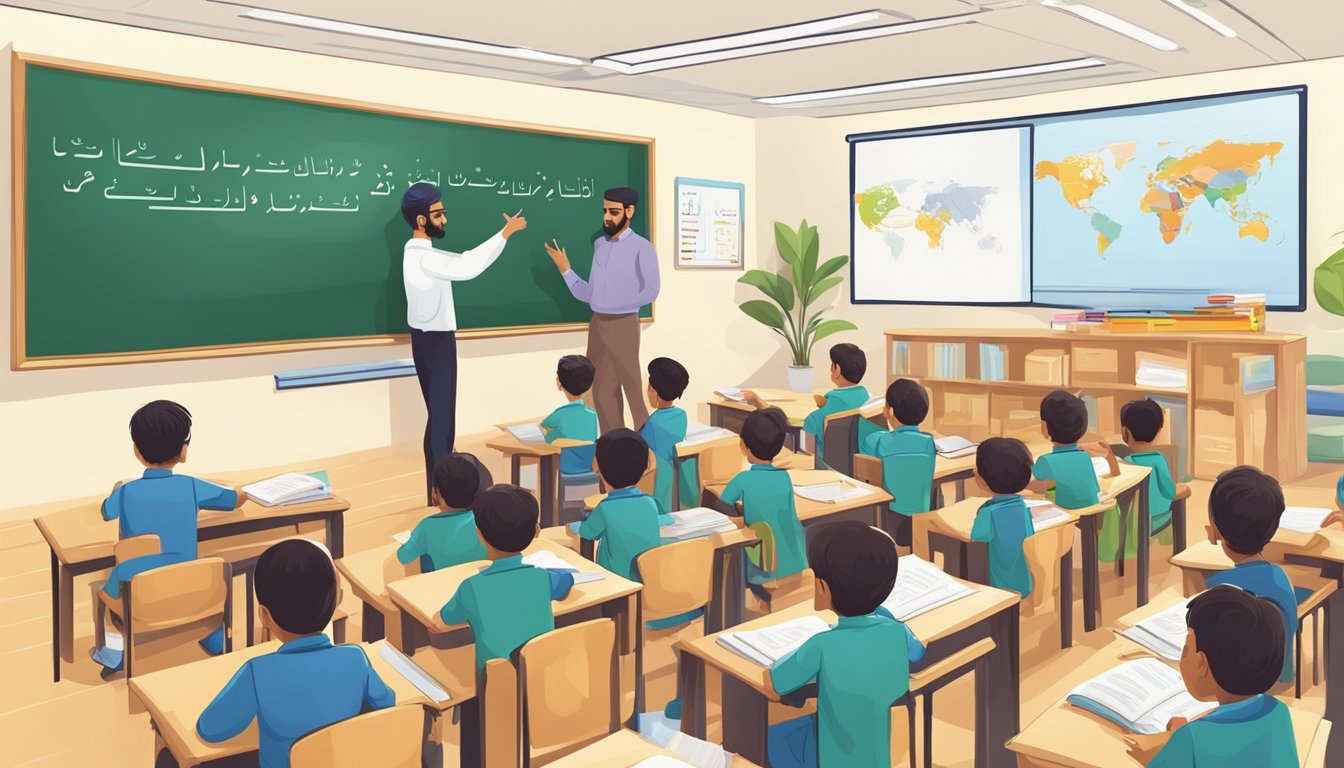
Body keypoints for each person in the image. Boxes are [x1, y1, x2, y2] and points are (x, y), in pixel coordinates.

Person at [197, 539, 395, 768]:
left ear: (264, 615)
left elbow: (210, 729)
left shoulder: (257, 671)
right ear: (335, 604)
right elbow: (387, 701)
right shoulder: (355, 657)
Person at [92, 400, 246, 674]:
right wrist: (237, 488)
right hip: (191, 586)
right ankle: (212, 637)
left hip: (142, 591)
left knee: (105, 588)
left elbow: (106, 511)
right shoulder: (191, 486)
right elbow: (234, 499)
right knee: (206, 575)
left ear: (137, 451)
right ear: (184, 451)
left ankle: (114, 652)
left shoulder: (126, 491)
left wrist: (116, 488)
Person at [401, 182, 527, 504]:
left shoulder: (413, 254)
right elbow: (469, 266)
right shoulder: (425, 258)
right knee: (443, 426)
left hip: (423, 341)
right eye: (439, 214)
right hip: (438, 344)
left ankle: (435, 495)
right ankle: (447, 498)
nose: (445, 219)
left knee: (437, 422)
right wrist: (505, 233)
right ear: (421, 220)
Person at [767, 521, 925, 768]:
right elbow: (918, 654)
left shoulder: (820, 645)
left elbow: (777, 681)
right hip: (877, 755)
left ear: (823, 587)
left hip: (831, 758)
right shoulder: (897, 631)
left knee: (771, 739)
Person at [1125, 585, 1297, 767]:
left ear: (1201, 663)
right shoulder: (1279, 712)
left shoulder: (1190, 740)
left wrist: (1151, 756)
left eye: (1187, 646)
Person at [544, 187, 660, 432]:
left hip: (623, 322)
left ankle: (648, 451)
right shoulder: (600, 245)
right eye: (605, 210)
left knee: (631, 388)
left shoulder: (642, 247)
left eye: (614, 211)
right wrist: (566, 270)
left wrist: (609, 301)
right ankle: (613, 446)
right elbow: (589, 295)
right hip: (597, 322)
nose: (607, 217)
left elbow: (651, 291)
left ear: (630, 212)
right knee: (599, 390)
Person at [438, 484, 575, 673]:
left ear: (479, 535)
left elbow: (447, 617)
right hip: (540, 679)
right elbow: (567, 579)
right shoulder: (542, 577)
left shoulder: (471, 587)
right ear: (536, 531)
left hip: (495, 687)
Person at [1203, 466, 1298, 683]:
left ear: (1215, 529)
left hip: (1241, 690)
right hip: (1281, 680)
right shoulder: (1280, 575)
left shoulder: (1219, 589)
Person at [720, 408, 807, 597]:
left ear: (743, 445)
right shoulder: (785, 477)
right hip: (793, 559)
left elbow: (720, 508)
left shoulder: (742, 479)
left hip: (764, 564)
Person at [1089, 398, 1178, 559]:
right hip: (1160, 517)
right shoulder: (1160, 459)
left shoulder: (1130, 464)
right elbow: (1170, 491)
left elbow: (1118, 490)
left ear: (1125, 432)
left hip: (1134, 525)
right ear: (1158, 431)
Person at [577, 429, 668, 581]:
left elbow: (586, 532)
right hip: (648, 580)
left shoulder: (605, 508)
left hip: (615, 582)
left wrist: (577, 524)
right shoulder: (649, 502)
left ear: (601, 470)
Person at [396, 452, 492, 572]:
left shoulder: (427, 526)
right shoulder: (485, 519)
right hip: (479, 582)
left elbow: (403, 557)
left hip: (442, 586)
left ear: (436, 493)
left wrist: (409, 542)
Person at [970, 437, 1038, 598]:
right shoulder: (1023, 506)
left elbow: (975, 538)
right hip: (1025, 583)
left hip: (999, 588)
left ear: (982, 479)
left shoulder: (988, 513)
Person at [639, 356, 691, 514]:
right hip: (675, 476)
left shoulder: (652, 423)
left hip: (656, 479)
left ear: (652, 390)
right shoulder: (681, 415)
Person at [540, 354, 599, 477]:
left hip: (566, 473)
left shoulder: (559, 415)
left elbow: (542, 433)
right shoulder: (593, 415)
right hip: (590, 473)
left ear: (559, 383)